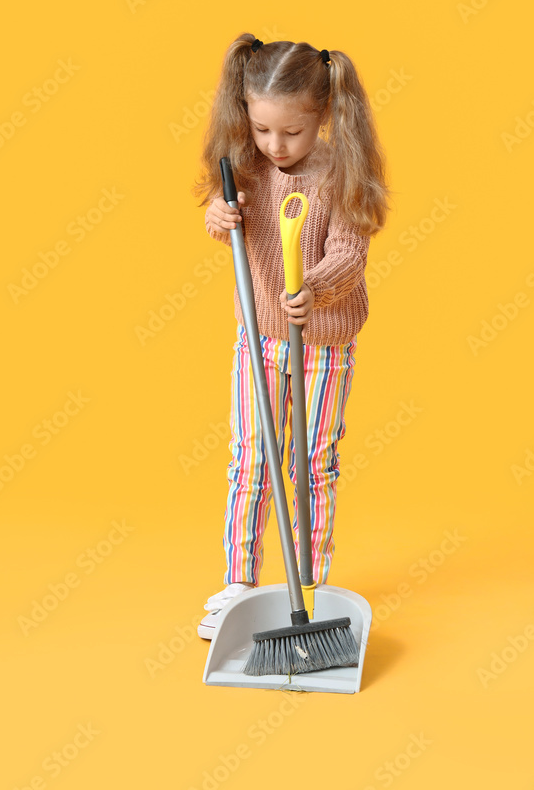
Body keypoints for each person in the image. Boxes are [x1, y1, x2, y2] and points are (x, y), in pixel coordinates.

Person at [192, 32, 392, 639]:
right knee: (252, 457)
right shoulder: (244, 170)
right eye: (261, 130)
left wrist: (315, 285)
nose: (274, 145)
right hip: (259, 337)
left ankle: (311, 582)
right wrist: (218, 216)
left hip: (324, 342)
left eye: (292, 133)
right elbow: (218, 220)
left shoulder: (339, 172)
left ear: (323, 115)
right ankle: (240, 583)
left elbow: (349, 252)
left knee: (311, 463)